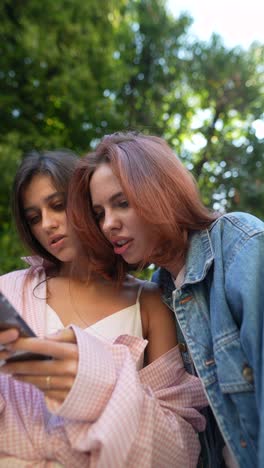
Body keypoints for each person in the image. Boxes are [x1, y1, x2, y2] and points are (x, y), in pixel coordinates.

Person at [69, 131, 264, 468]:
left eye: (122, 203)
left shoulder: (240, 247)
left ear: (159, 191)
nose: (108, 225)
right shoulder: (159, 294)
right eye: (99, 213)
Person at [0, 150, 207, 467]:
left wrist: (98, 381)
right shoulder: (10, 291)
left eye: (58, 206)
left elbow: (179, 444)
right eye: (34, 218)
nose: (47, 224)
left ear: (88, 203)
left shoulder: (150, 303)